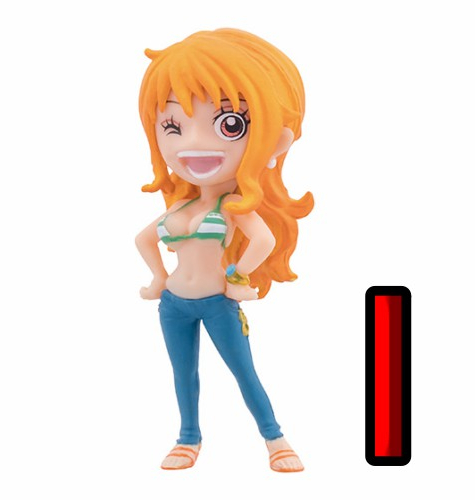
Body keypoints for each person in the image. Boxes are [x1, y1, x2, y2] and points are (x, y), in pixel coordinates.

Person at [135, 28, 314, 472]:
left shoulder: (233, 208)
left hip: (218, 303)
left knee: (244, 372)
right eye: (173, 126)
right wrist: (158, 278)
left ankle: (275, 439)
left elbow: (265, 240)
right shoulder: (181, 205)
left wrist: (237, 276)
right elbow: (143, 238)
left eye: (230, 124)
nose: (192, 144)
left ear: (275, 140)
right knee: (183, 374)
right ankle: (188, 438)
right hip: (174, 304)